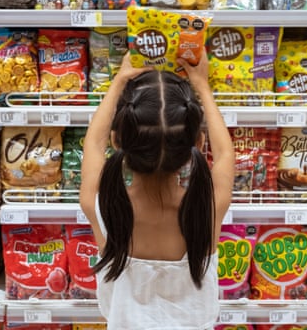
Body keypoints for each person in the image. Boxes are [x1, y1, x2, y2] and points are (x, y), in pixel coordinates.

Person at [80, 49, 235, 329]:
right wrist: (202, 84)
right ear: (199, 144)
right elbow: (225, 155)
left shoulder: (100, 207)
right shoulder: (208, 209)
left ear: (118, 141)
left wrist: (118, 81)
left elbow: (92, 144)